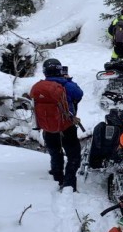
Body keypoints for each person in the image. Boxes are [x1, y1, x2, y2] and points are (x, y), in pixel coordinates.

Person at [28, 58, 84, 191]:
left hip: (48, 128)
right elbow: (79, 94)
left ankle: (57, 178)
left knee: (55, 153)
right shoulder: (67, 85)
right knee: (73, 156)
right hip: (67, 127)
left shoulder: (38, 87)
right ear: (60, 70)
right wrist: (68, 80)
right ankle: (69, 184)